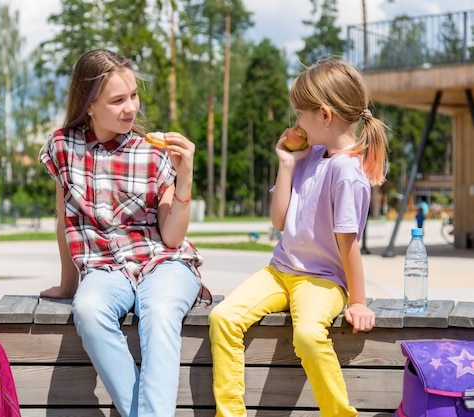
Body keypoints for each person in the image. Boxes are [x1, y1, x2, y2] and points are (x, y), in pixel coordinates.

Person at [208, 58, 389, 417]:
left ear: (323, 115)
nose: (295, 123)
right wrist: (287, 163)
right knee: (222, 318)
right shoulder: (309, 157)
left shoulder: (346, 172)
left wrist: (358, 302)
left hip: (321, 281)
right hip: (279, 271)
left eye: (299, 114)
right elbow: (279, 221)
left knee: (307, 335)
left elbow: (348, 244)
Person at [37, 49, 211, 417]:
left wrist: (185, 177)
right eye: (117, 100)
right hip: (104, 268)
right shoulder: (63, 147)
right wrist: (69, 285)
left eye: (133, 95)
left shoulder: (153, 151)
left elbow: (173, 237)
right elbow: (64, 219)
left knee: (160, 311)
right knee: (87, 308)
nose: (130, 108)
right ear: (89, 105)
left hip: (163, 261)